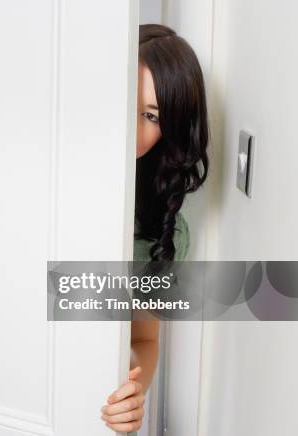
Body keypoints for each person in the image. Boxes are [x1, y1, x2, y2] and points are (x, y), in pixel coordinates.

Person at [100, 24, 209, 434]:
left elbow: (144, 341)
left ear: (169, 134)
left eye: (149, 116)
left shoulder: (161, 232)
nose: (130, 126)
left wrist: (132, 393)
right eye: (126, 98)